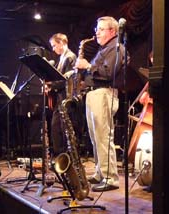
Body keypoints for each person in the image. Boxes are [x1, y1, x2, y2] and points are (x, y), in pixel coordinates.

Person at [75, 16, 128, 192]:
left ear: (112, 31)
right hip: (95, 94)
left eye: (101, 29)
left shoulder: (116, 47)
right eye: (97, 29)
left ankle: (110, 178)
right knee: (96, 137)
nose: (96, 32)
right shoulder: (105, 48)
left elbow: (108, 72)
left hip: (104, 94)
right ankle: (100, 172)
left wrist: (87, 66)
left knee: (104, 137)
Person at [47, 33, 77, 155]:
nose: (53, 49)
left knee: (64, 129)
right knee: (56, 127)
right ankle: (61, 156)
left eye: (54, 45)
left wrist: (51, 85)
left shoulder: (70, 57)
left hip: (66, 97)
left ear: (61, 43)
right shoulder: (62, 58)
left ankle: (67, 156)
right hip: (60, 97)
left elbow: (67, 80)